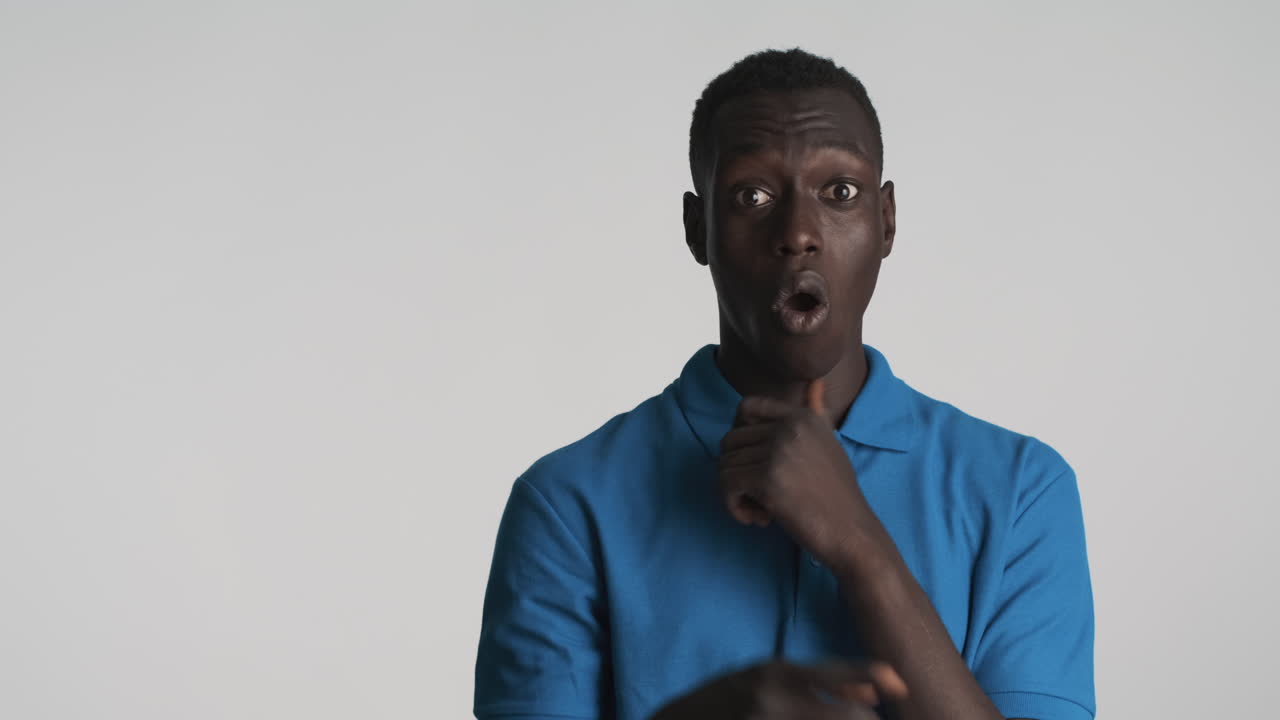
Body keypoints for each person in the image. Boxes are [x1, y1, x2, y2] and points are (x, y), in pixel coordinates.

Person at [473, 48, 1095, 720]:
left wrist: (858, 545)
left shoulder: (1022, 490)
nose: (798, 232)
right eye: (752, 195)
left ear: (886, 221)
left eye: (841, 193)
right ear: (697, 227)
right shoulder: (569, 505)